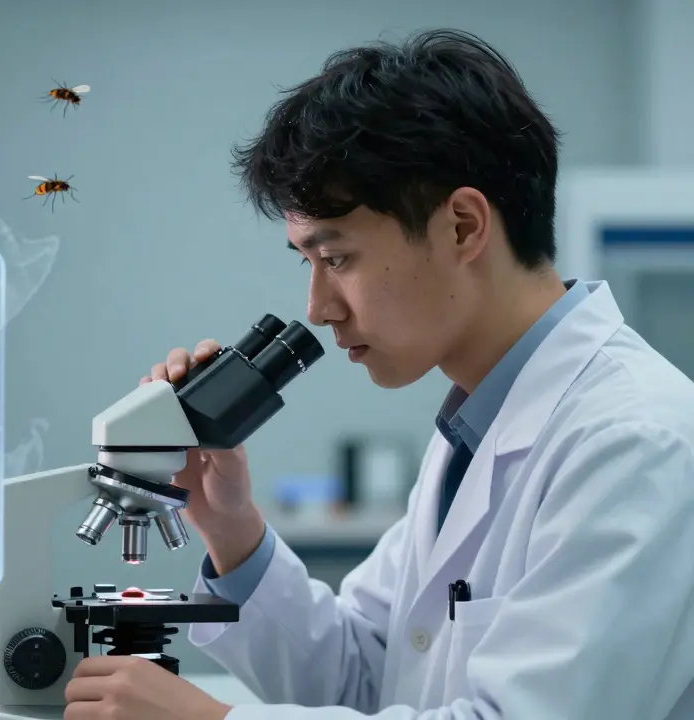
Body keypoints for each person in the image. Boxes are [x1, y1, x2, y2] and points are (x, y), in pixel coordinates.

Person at [61, 28, 694, 720]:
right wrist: (230, 525)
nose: (318, 309)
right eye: (308, 263)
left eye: (336, 259)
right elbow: (364, 674)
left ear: (462, 227)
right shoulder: (478, 428)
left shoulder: (635, 442)